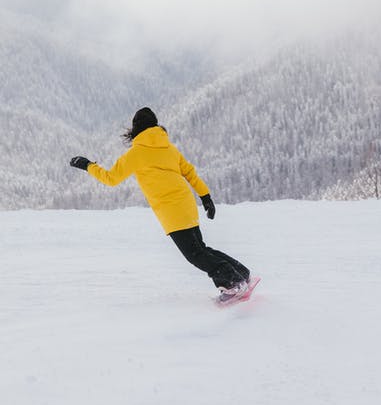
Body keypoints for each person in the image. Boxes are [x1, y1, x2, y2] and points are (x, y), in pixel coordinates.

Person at [70, 107, 251, 302]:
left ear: (136, 128)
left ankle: (233, 283)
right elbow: (189, 173)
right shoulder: (169, 148)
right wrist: (205, 196)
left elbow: (110, 178)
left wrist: (88, 165)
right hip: (186, 203)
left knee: (195, 254)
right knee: (201, 248)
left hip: (171, 211)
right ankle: (241, 274)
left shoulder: (136, 153)